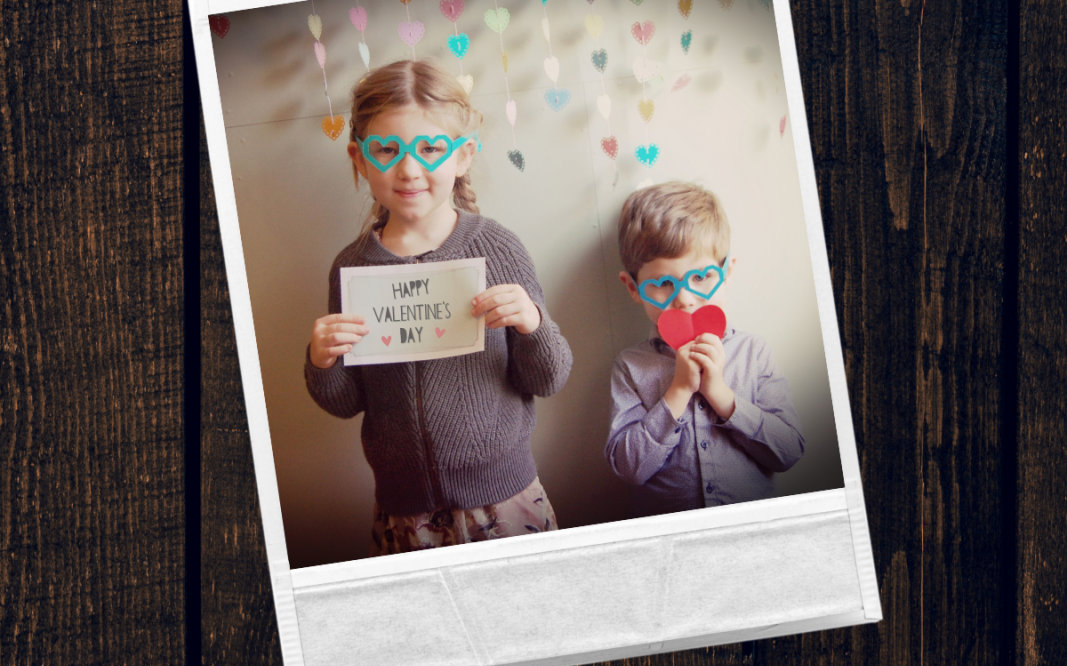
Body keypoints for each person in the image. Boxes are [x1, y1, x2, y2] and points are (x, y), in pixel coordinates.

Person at [305, 58, 572, 554]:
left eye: (430, 148)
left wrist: (533, 325)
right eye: (387, 149)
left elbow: (549, 378)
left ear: (464, 155)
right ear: (359, 159)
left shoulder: (499, 248)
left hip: (505, 498)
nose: (409, 168)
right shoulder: (351, 268)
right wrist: (322, 361)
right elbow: (346, 402)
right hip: (405, 515)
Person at [606, 181, 804, 518]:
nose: (684, 297)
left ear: (727, 272)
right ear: (633, 287)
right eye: (664, 284)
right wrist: (678, 390)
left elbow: (787, 451)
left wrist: (721, 395)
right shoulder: (631, 366)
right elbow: (628, 467)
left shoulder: (753, 352)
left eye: (700, 277)